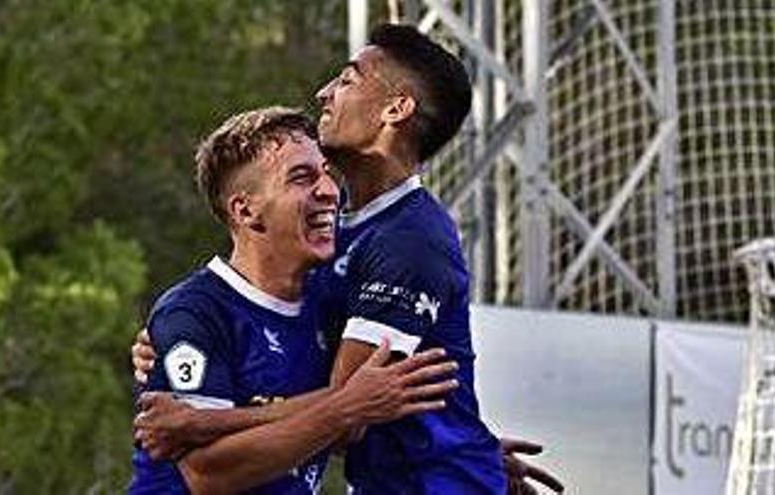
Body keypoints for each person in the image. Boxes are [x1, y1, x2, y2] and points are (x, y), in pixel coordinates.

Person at [134, 23, 564, 494]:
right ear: (244, 209)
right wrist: (174, 340)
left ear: (396, 109)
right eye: (302, 177)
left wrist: (200, 422)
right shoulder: (337, 244)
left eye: (347, 79)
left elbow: (349, 411)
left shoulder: (410, 240)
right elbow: (346, 402)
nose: (325, 92)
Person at [129, 107, 460, 495]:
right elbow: (210, 475)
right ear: (246, 210)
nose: (329, 191)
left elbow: (369, 410)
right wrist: (346, 406)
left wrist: (469, 453)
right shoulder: (193, 313)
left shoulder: (329, 305)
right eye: (302, 178)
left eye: (326, 173)